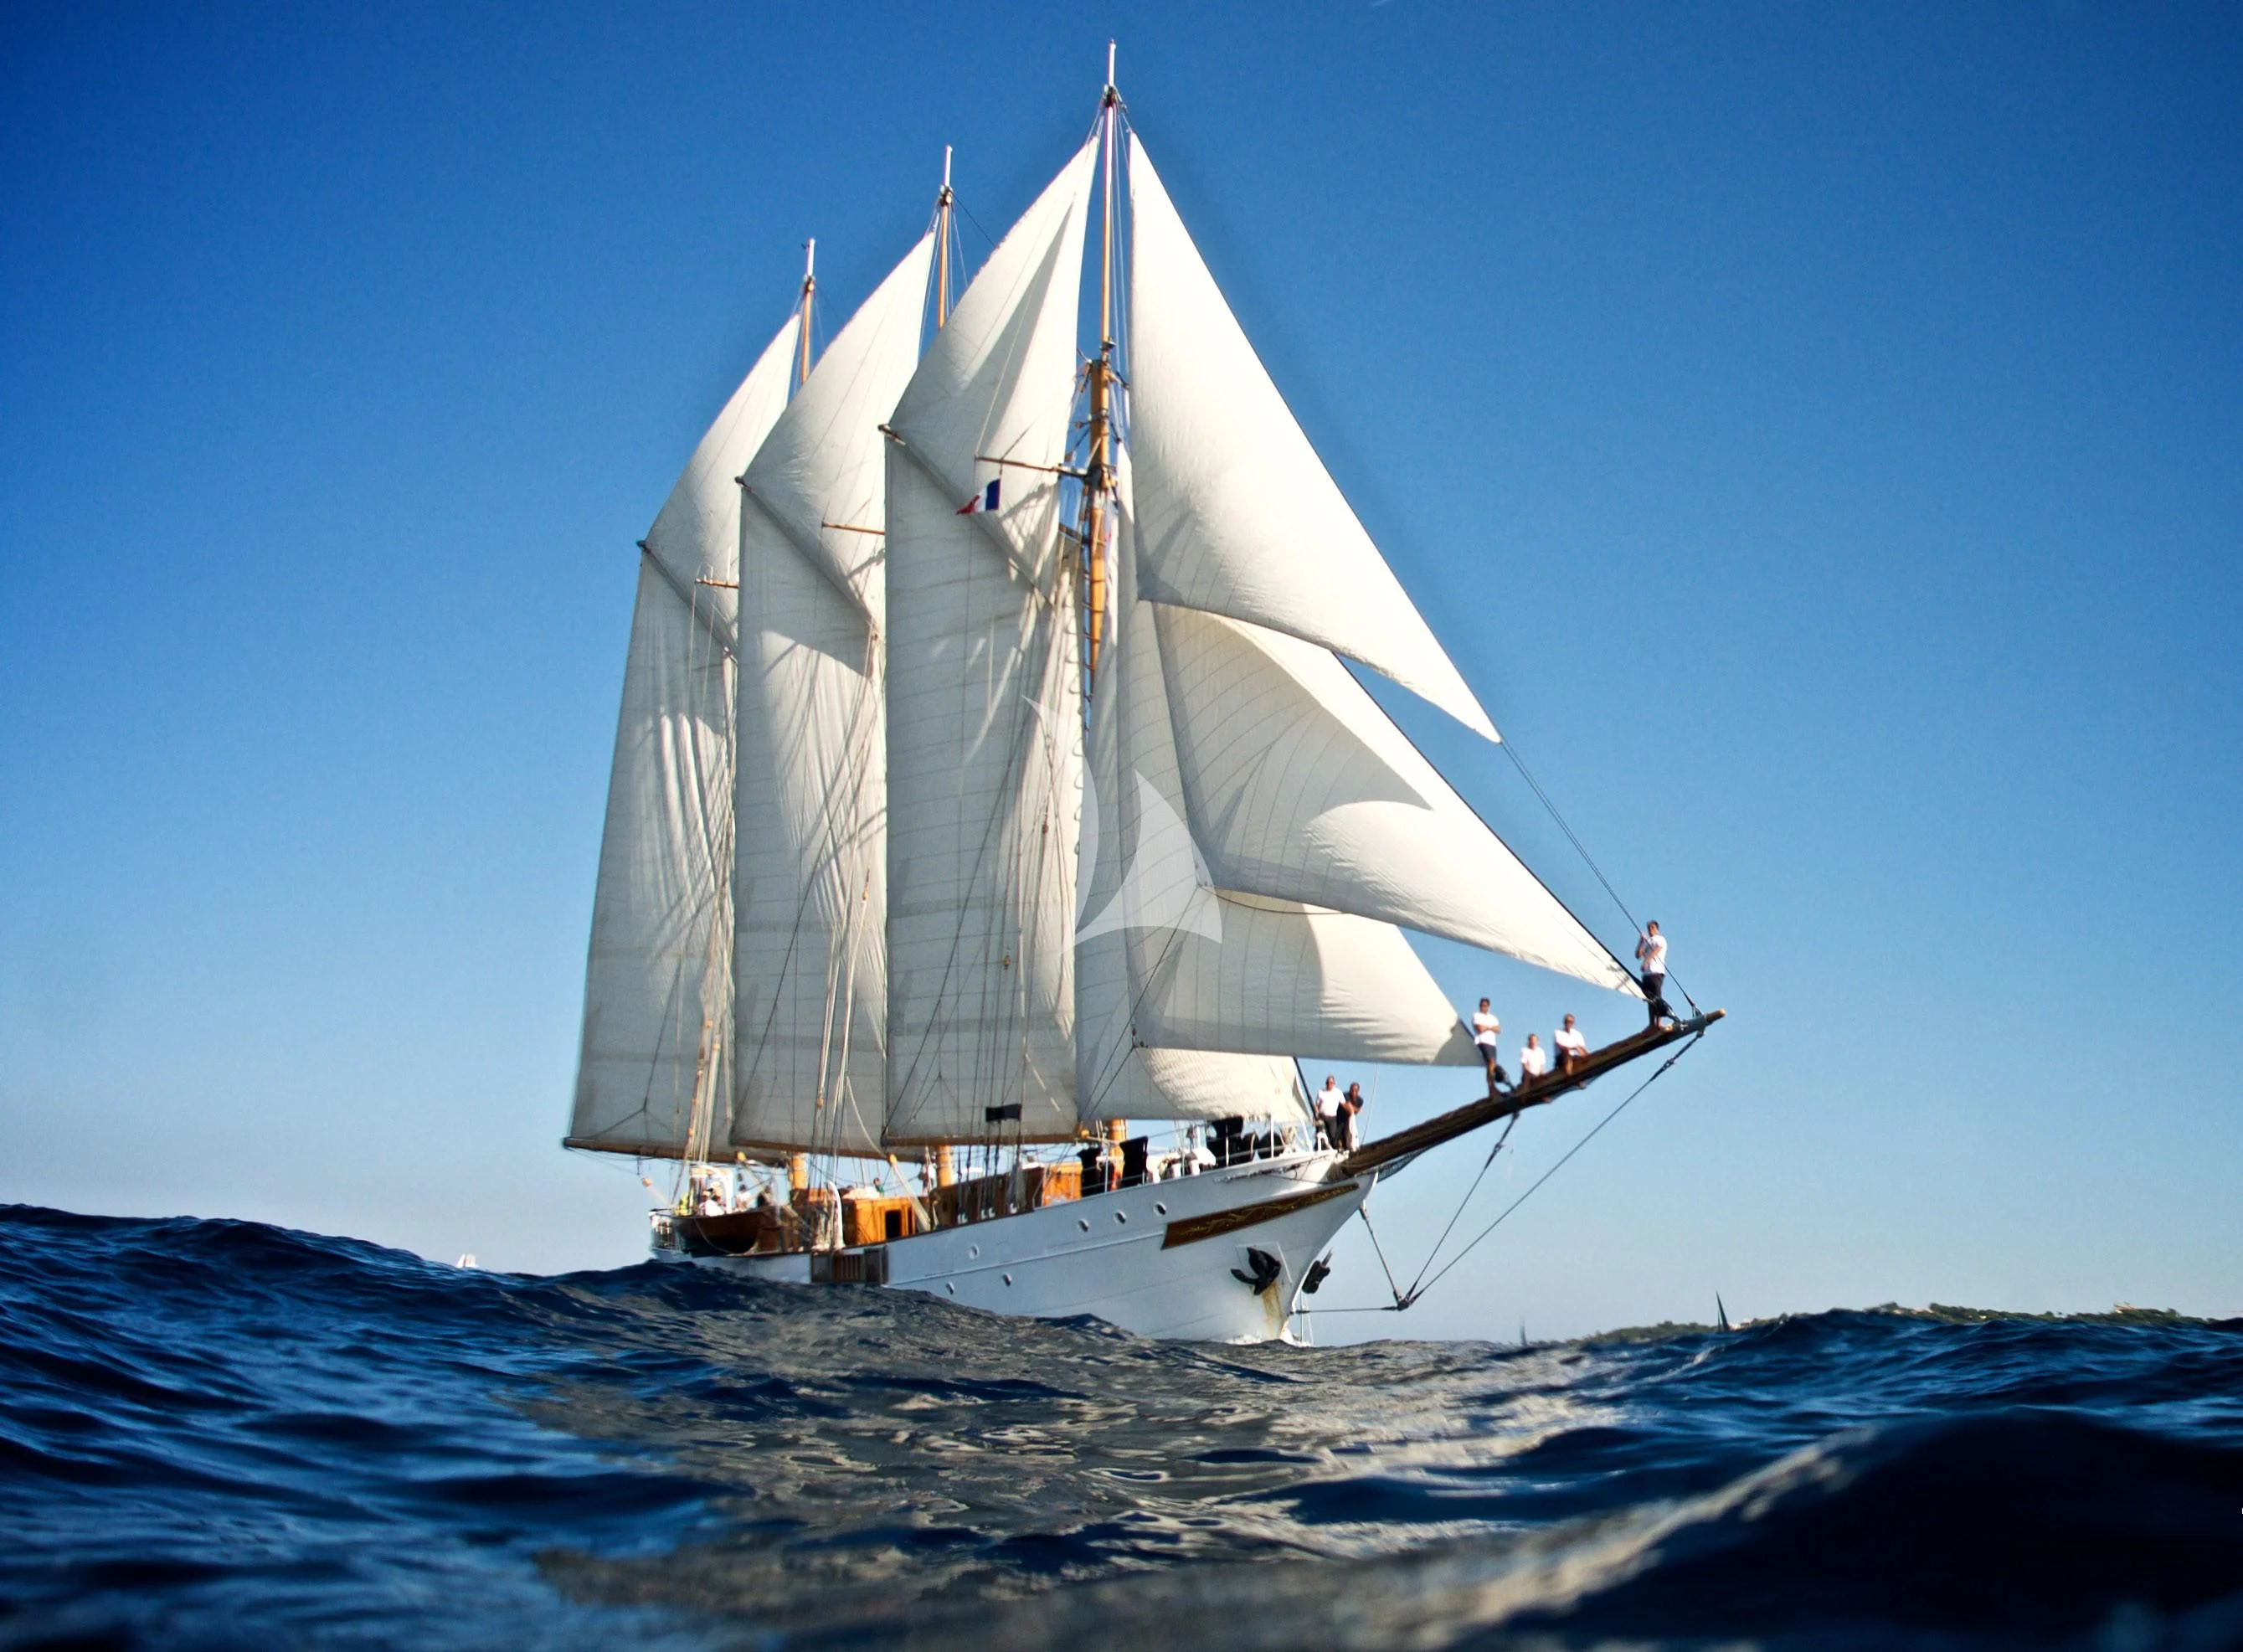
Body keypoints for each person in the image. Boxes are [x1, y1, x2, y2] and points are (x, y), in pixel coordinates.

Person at [1636, 921, 1670, 1027]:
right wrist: (1641, 941)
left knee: (1657, 996)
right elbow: (1638, 955)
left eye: (1652, 927)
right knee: (1649, 999)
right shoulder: (1648, 941)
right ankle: (1652, 1024)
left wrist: (1646, 962)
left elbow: (1656, 950)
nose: (1650, 929)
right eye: (1649, 928)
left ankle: (1659, 1023)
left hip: (1656, 972)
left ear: (1657, 929)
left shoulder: (1660, 939)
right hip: (1647, 974)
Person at [1473, 998, 1507, 1093]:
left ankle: (1492, 1087)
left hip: (1492, 1043)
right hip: (1482, 1042)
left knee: (1491, 1065)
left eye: (1485, 1006)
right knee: (1491, 1062)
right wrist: (1491, 1027)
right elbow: (1480, 1028)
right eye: (1481, 1005)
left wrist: (1487, 1027)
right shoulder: (1477, 1015)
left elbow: (1498, 1029)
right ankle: (1491, 1087)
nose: (1483, 1007)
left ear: (1488, 1007)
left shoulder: (1493, 1018)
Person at [1315, 1074, 1345, 1150]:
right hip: (1322, 1116)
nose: (1329, 1084)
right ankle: (1320, 1149)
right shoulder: (1321, 1092)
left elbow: (1344, 1104)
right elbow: (1317, 1105)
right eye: (1328, 1083)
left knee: (1333, 1135)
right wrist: (1316, 1114)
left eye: (1331, 1083)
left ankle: (1335, 1148)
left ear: (1334, 1084)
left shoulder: (1338, 1092)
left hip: (1332, 1117)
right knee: (1321, 1134)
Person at [1554, 1012, 1589, 1076]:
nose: (1569, 1023)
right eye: (1567, 1021)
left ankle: (1578, 1077)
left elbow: (1582, 1048)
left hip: (1574, 1057)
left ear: (1573, 1023)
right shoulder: (1558, 1032)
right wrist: (1574, 1048)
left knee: (1582, 1058)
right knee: (1567, 1053)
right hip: (1562, 1058)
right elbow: (1560, 1047)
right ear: (1564, 1022)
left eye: (1571, 1022)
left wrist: (1588, 1055)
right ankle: (1569, 1075)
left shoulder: (1577, 1034)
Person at [1342, 1082, 1366, 1152]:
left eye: (1356, 1090)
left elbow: (1354, 1111)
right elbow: (1349, 1106)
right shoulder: (1345, 1095)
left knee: (1352, 1129)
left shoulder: (1360, 1100)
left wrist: (1354, 1109)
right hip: (1341, 1116)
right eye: (1352, 1090)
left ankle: (1352, 1146)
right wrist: (1356, 1109)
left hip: (1349, 1117)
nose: (1353, 1092)